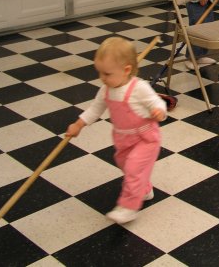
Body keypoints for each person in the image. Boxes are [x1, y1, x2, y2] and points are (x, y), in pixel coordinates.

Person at [66, 37, 166, 224]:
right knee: (126, 166)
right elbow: (94, 109)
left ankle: (128, 207)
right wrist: (79, 124)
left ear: (126, 70)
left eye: (107, 74)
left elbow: (157, 102)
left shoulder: (139, 88)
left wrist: (159, 111)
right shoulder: (106, 90)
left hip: (146, 138)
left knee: (133, 168)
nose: (102, 78)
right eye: (99, 73)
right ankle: (144, 189)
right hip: (122, 139)